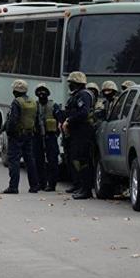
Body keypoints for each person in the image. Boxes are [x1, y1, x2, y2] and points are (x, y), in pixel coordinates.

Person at [2, 79, 40, 194]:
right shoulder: (33, 102)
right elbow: (36, 119)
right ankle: (34, 186)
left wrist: (8, 131)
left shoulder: (16, 102)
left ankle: (13, 187)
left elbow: (13, 120)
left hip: (17, 136)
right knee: (30, 160)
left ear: (15, 91)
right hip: (29, 134)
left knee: (14, 160)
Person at [62, 71, 94, 199]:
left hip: (83, 132)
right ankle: (81, 187)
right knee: (76, 159)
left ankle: (86, 189)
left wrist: (69, 120)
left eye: (71, 83)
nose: (69, 85)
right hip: (77, 132)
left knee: (82, 161)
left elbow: (83, 113)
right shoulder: (77, 95)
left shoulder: (83, 95)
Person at [34, 84, 62, 192]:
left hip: (50, 136)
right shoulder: (35, 106)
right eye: (39, 91)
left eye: (44, 91)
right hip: (37, 136)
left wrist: (57, 132)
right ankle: (41, 183)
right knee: (38, 160)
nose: (41, 94)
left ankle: (51, 184)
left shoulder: (53, 105)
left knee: (52, 160)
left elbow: (60, 118)